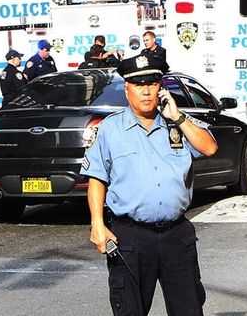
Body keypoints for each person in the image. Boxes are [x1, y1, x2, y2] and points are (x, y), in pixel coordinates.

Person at [81, 54, 218, 315]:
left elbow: (209, 147)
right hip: (130, 238)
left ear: (161, 87)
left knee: (188, 310)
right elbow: (97, 179)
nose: (146, 91)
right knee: (130, 310)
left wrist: (178, 117)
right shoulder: (110, 129)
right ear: (127, 89)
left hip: (176, 236)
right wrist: (97, 224)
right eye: (138, 84)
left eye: (152, 83)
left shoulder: (178, 123)